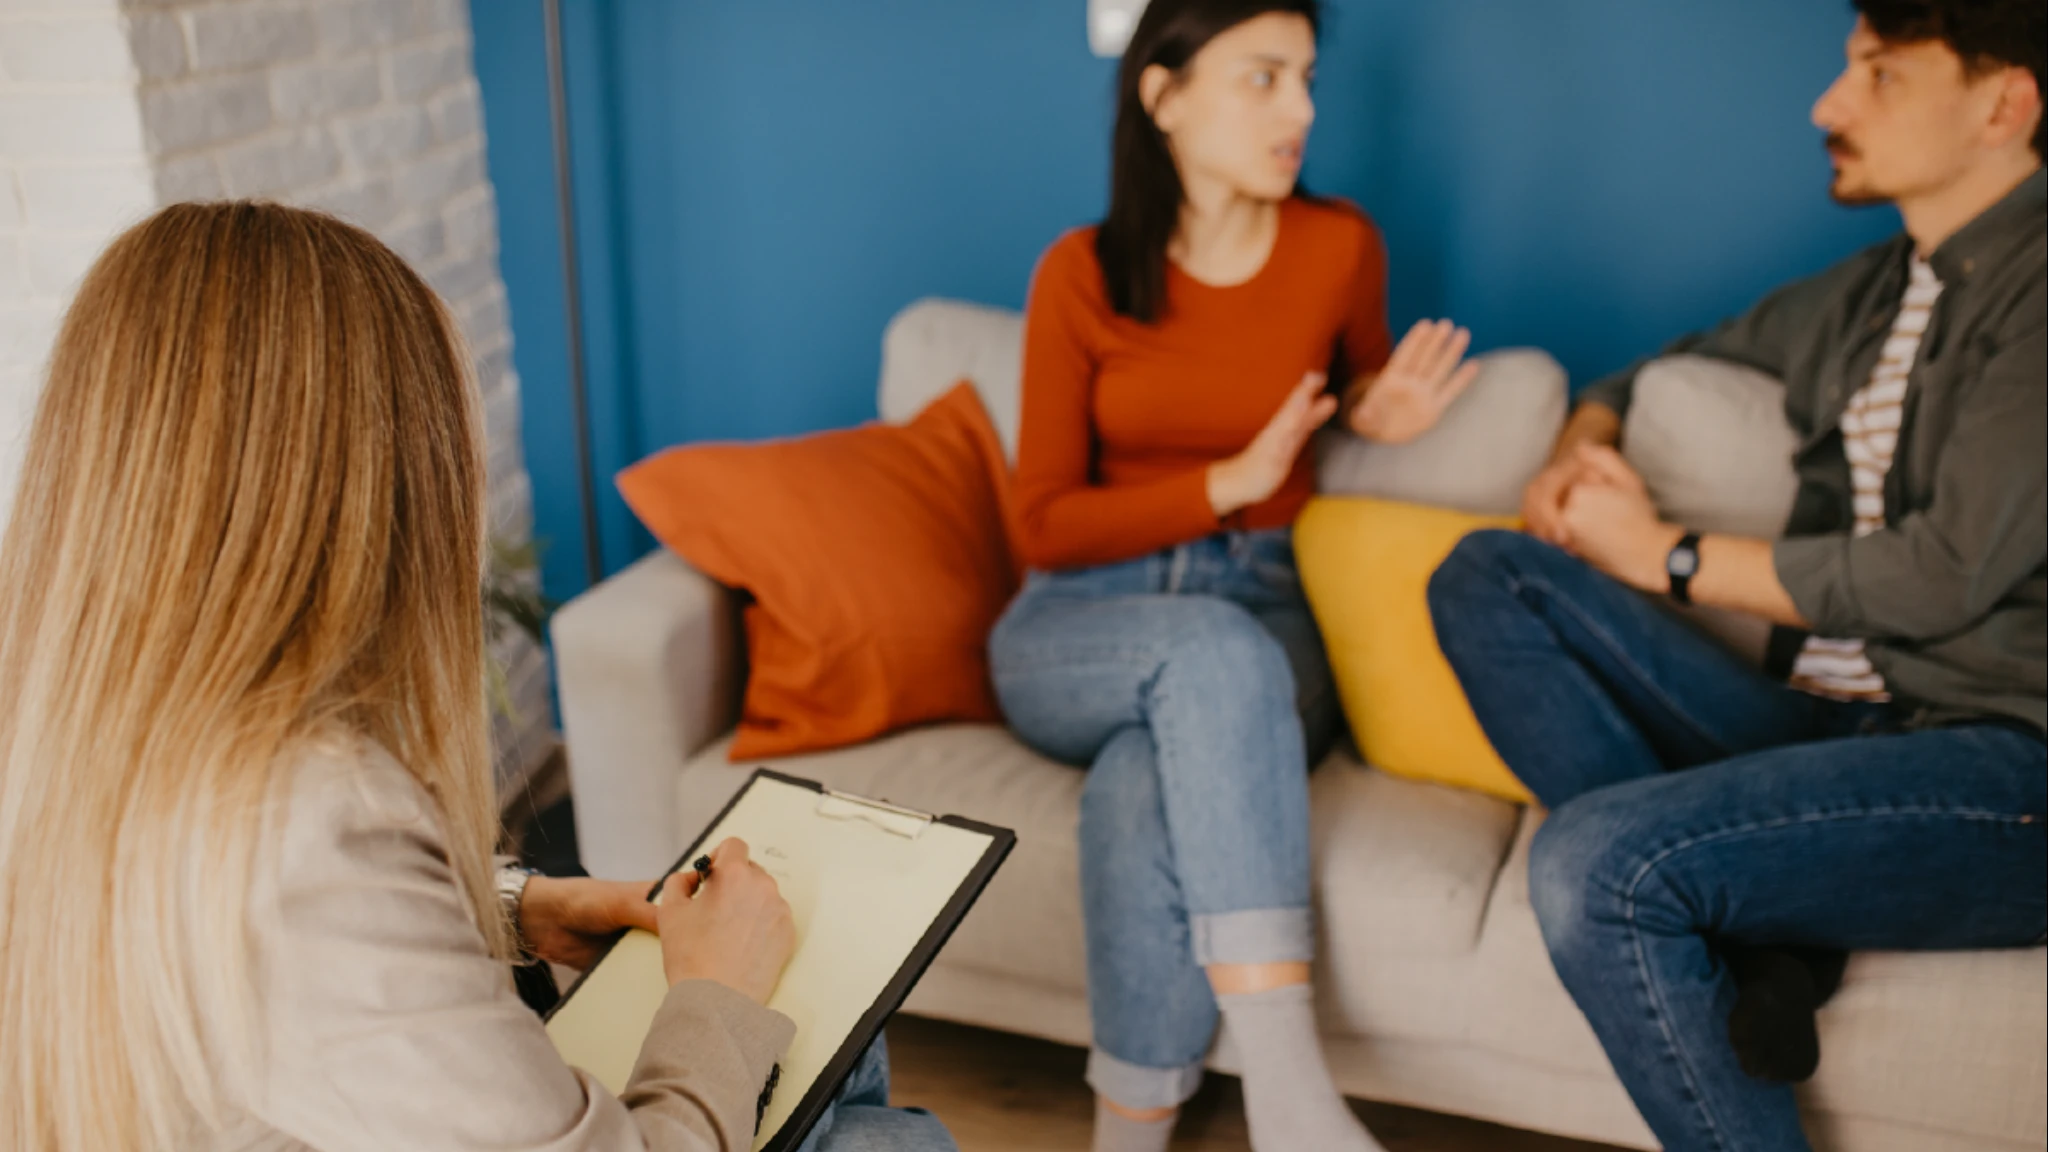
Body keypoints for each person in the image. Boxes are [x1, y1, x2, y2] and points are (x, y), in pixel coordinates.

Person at [0, 202, 956, 1152]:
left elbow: (280, 966)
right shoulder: (311, 811)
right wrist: (714, 993)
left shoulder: (63, 718)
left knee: (838, 1049)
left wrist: (514, 909)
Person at [1426, 2, 2046, 1149]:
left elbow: (1943, 574)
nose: (1825, 104)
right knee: (1484, 577)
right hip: (1824, 728)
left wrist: (1663, 556)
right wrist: (1577, 452)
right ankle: (1765, 937)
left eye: (1878, 74)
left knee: (1593, 867)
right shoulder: (1868, 294)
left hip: (1999, 763)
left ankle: (1726, 909)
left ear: (2003, 104)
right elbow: (1657, 359)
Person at [986, 3, 1482, 1150]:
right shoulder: (1078, 274)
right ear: (1161, 96)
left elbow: (1351, 382)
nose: (1301, 110)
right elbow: (1045, 525)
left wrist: (1375, 411)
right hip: (1080, 617)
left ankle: (1128, 1134)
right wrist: (1224, 479)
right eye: (1263, 78)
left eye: (1306, 79)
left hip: (1262, 604)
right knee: (1199, 657)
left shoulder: (1338, 245)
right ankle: (1289, 1092)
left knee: (1139, 783)